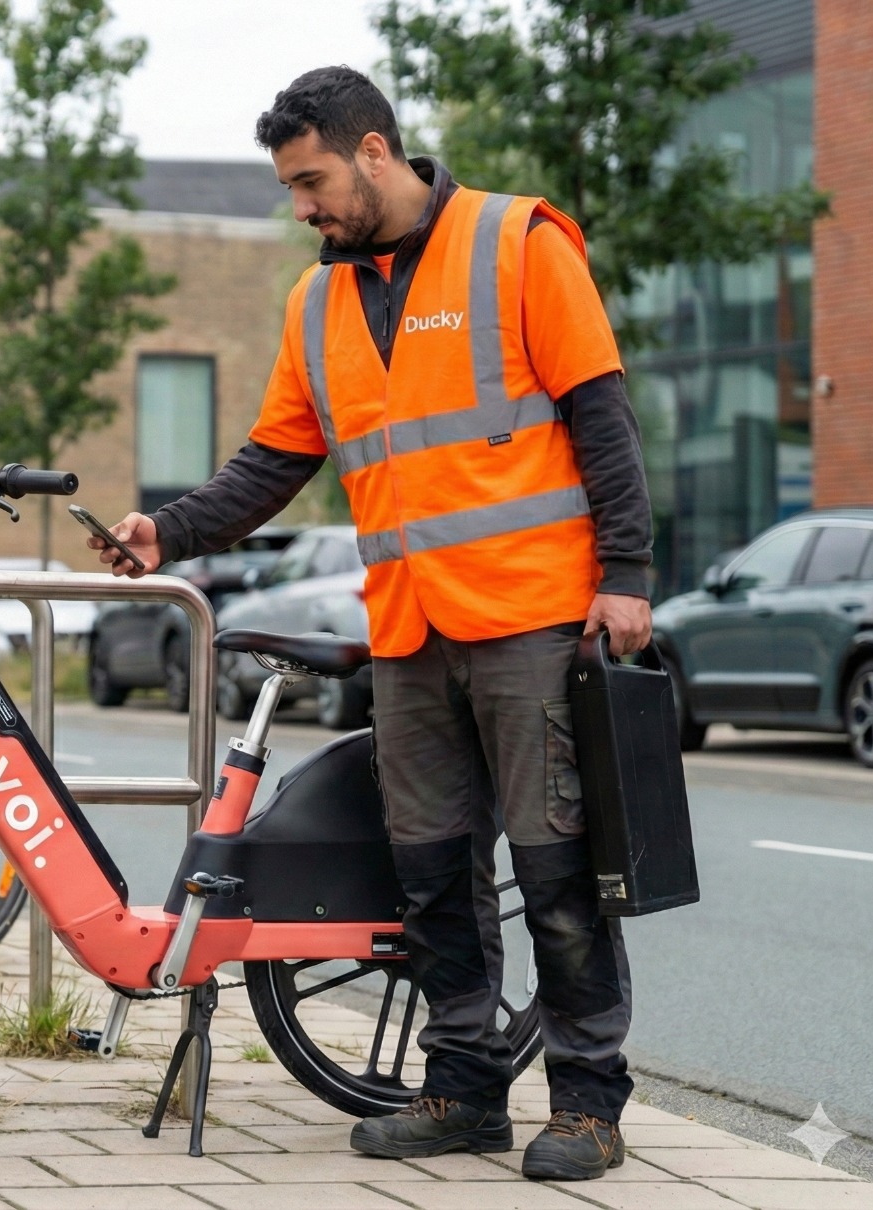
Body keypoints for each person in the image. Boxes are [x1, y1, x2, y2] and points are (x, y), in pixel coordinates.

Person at [88, 65, 652, 1183]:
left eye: (312, 181)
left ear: (375, 151)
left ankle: (588, 1102)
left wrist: (626, 571)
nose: (303, 207)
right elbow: (275, 462)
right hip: (407, 630)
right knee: (431, 873)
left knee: (555, 871)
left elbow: (600, 414)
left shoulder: (518, 243)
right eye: (291, 189)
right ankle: (462, 1089)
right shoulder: (319, 301)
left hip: (530, 616)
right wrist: (171, 532)